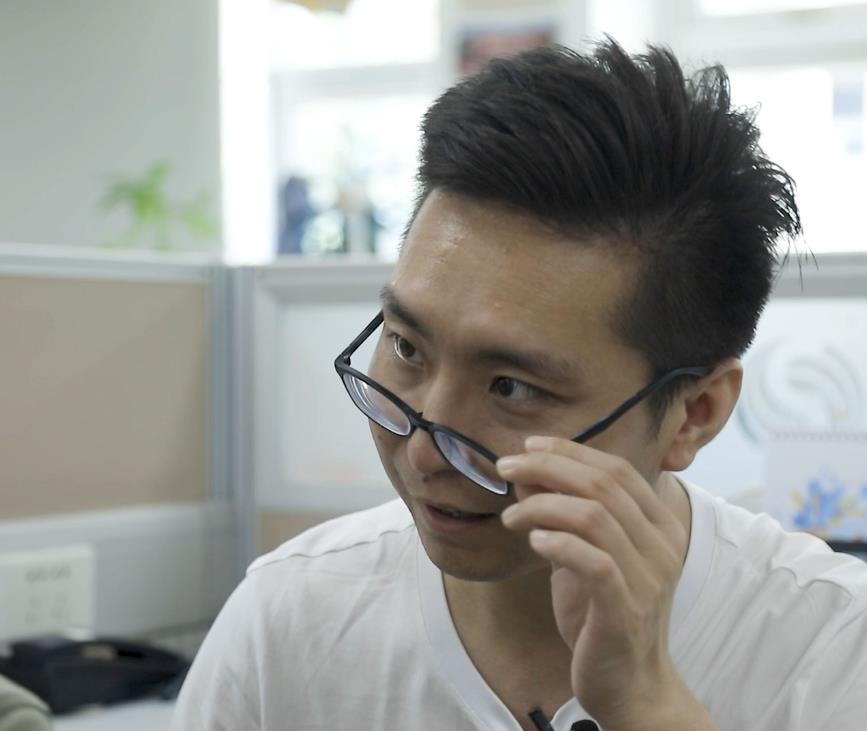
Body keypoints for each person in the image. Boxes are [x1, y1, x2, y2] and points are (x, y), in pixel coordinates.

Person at [170, 39, 867, 730]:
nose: (423, 451)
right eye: (407, 347)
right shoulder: (289, 620)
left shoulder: (830, 647)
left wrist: (647, 703)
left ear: (694, 414)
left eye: (511, 387)